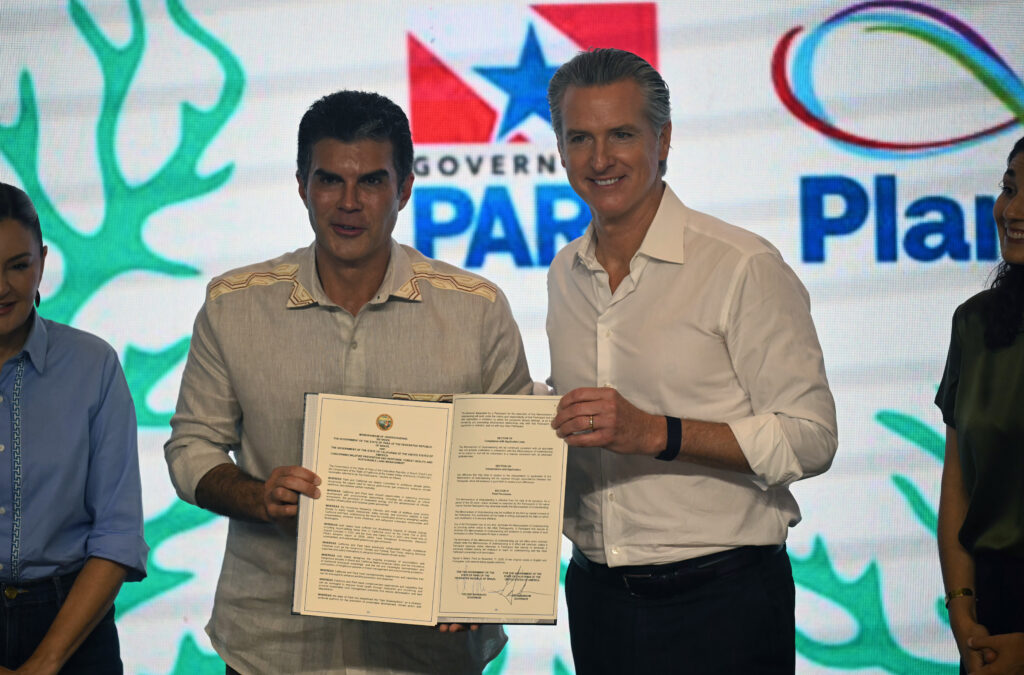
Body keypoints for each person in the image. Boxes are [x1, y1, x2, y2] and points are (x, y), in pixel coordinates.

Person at [164, 90, 531, 674]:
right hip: (273, 646)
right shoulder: (234, 305)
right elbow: (192, 446)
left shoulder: (477, 310)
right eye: (330, 180)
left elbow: (514, 466)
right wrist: (259, 497)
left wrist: (481, 585)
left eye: (372, 182)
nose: (350, 203)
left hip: (425, 651)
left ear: (405, 189)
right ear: (301, 186)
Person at [544, 49, 838, 673]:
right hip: (596, 597)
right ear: (561, 151)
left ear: (664, 139)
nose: (600, 159)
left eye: (622, 135)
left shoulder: (741, 265)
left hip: (722, 603)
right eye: (580, 138)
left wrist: (657, 432)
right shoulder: (564, 271)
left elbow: (810, 438)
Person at [0, 182, 148, 673]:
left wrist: (47, 662)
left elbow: (118, 533)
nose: (1, 288)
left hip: (75, 623)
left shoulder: (93, 365)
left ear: (42, 262)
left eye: (17, 266)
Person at [937, 135, 1024, 675]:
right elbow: (958, 487)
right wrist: (963, 617)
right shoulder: (975, 323)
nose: (1011, 212)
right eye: (1009, 189)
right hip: (992, 613)